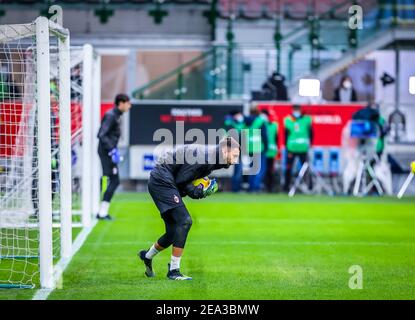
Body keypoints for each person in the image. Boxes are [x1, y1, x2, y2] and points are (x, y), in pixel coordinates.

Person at [139, 137, 240, 280]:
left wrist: (199, 188)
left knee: (173, 232)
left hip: (163, 179)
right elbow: (181, 182)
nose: (236, 160)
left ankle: (147, 256)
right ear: (225, 150)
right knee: (185, 221)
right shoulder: (206, 159)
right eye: (234, 155)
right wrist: (198, 191)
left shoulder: (214, 158)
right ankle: (174, 270)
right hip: (161, 180)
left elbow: (187, 178)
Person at [96, 93, 131, 220]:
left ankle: (102, 211)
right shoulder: (111, 115)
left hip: (109, 151)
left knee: (113, 180)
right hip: (106, 152)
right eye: (128, 103)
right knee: (113, 180)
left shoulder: (116, 115)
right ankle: (101, 212)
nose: (129, 106)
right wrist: (111, 150)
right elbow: (101, 134)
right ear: (121, 103)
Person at [283, 104, 313, 192]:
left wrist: (311, 143)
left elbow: (311, 133)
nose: (296, 112)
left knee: (306, 168)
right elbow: (286, 134)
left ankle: (310, 185)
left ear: (300, 110)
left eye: (297, 109)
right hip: (291, 148)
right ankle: (286, 187)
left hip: (303, 148)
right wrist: (286, 147)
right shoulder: (288, 120)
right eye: (294, 110)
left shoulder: (306, 119)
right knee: (288, 168)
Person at [245, 107, 268, 192]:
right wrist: (266, 147)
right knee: (260, 169)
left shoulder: (245, 121)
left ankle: (251, 187)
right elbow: (264, 136)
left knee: (252, 169)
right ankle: (256, 187)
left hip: (249, 148)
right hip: (259, 148)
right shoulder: (260, 121)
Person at [224, 110, 244, 192]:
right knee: (238, 169)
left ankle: (236, 187)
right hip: (233, 149)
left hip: (235, 149)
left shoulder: (233, 123)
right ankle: (235, 188)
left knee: (237, 169)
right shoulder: (230, 124)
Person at [261, 109, 278, 193]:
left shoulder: (273, 125)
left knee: (270, 171)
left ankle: (270, 188)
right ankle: (262, 186)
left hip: (271, 152)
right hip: (262, 151)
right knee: (262, 170)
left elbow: (276, 138)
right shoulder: (259, 125)